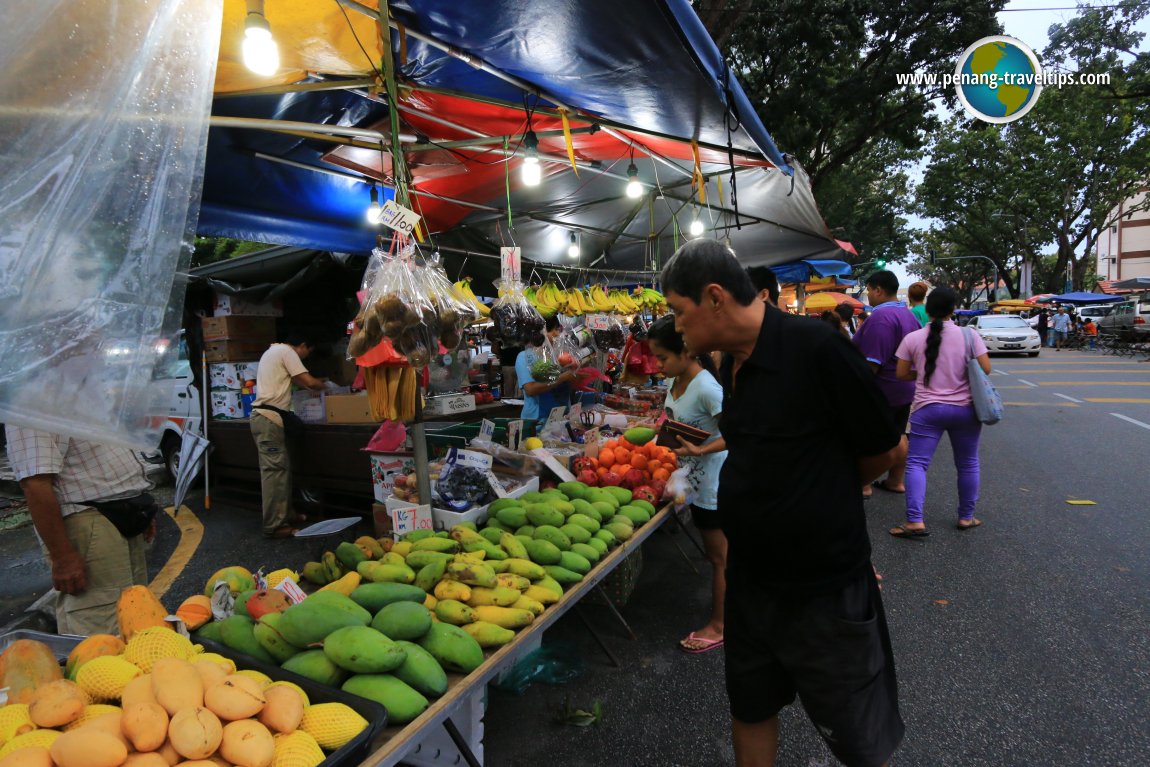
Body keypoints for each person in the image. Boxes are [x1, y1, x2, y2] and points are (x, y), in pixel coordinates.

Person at [661, 239, 904, 767]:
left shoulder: (816, 349)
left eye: (679, 313)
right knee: (750, 705)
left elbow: (887, 449)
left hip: (823, 584)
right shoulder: (732, 366)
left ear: (715, 298)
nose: (676, 327)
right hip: (752, 581)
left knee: (855, 730)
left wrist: (822, 498)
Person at [5, 425, 158, 635]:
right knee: (102, 632)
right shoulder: (30, 402)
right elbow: (35, 483)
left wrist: (139, 507)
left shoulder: (79, 394)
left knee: (140, 620)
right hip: (87, 517)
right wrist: (63, 558)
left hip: (122, 513)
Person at [647, 315, 729, 654]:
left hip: (715, 483)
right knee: (717, 555)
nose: (657, 364)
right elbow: (676, 419)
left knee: (720, 558)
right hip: (694, 479)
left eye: (662, 357)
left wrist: (701, 448)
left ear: (685, 351)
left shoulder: (708, 387)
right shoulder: (675, 380)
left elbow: (740, 432)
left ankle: (721, 625)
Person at [891, 287, 990, 537]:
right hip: (965, 410)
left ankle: (915, 521)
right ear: (953, 309)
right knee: (967, 464)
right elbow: (985, 369)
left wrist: (924, 373)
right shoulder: (970, 335)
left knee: (916, 464)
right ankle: (966, 518)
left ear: (927, 309)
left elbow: (901, 374)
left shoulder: (912, 338)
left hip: (927, 410)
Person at [250, 333, 331, 539]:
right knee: (274, 473)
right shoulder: (287, 352)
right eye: (308, 352)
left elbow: (301, 382)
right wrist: (329, 387)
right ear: (303, 345)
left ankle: (286, 514)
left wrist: (318, 382)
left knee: (281, 469)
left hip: (267, 418)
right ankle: (275, 525)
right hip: (268, 419)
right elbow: (308, 382)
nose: (304, 357)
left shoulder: (273, 351)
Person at [853, 271, 920, 498]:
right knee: (899, 435)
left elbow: (872, 364)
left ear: (878, 289)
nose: (869, 295)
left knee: (869, 438)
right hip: (904, 389)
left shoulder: (881, 318)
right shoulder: (909, 316)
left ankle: (864, 484)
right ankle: (895, 480)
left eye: (870, 290)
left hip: (883, 390)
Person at [515, 316, 576, 428]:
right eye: (553, 330)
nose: (557, 334)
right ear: (541, 332)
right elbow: (531, 389)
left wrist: (577, 374)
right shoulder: (525, 357)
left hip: (562, 420)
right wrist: (563, 377)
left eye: (558, 329)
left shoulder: (558, 356)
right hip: (537, 423)